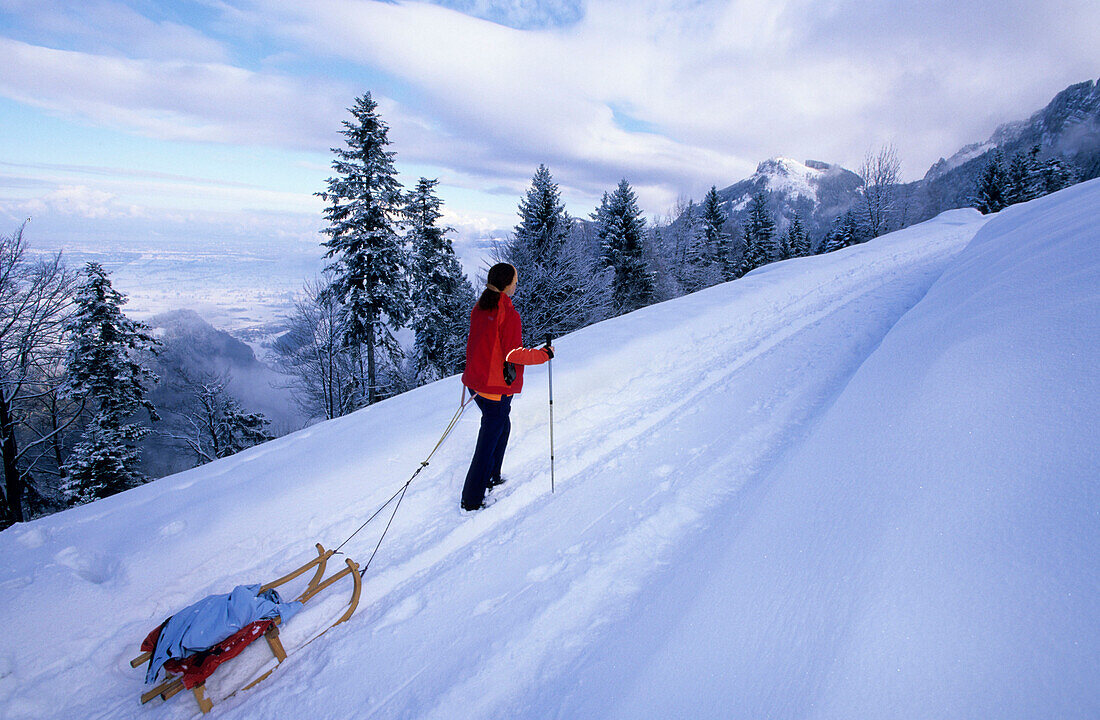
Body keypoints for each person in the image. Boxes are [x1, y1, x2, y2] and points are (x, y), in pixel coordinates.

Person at [460, 263, 554, 511]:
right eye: (515, 280)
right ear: (506, 284)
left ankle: (492, 475)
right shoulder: (508, 313)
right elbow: (514, 353)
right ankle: (471, 499)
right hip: (494, 388)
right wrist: (543, 355)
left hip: (476, 384)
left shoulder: (481, 307)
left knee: (502, 424)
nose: (517, 284)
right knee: (488, 440)